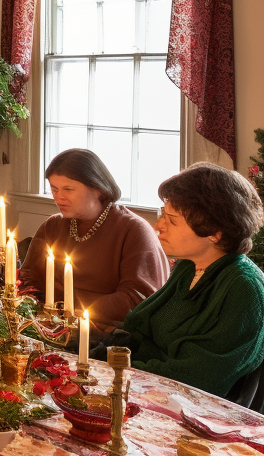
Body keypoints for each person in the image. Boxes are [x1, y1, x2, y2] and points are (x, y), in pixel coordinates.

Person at [99, 163, 264, 400]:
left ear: (215, 232)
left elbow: (201, 377)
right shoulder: (189, 266)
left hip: (196, 414)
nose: (158, 227)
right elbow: (142, 333)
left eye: (172, 220)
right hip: (149, 388)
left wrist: (120, 370)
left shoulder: (245, 288)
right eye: (162, 214)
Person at [18, 148, 169, 334]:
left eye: (68, 189)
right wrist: (40, 312)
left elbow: (137, 298)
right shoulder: (53, 225)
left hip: (110, 333)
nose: (59, 197)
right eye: (54, 189)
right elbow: (29, 279)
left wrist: (75, 313)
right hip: (51, 326)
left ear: (98, 189)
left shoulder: (134, 230)